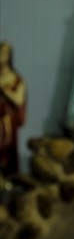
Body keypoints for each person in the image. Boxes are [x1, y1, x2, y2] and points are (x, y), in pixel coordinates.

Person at [0, 40, 27, 178]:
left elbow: (19, 100)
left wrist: (5, 91)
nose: (1, 55)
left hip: (7, 121)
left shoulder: (16, 79)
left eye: (4, 52)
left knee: (7, 149)